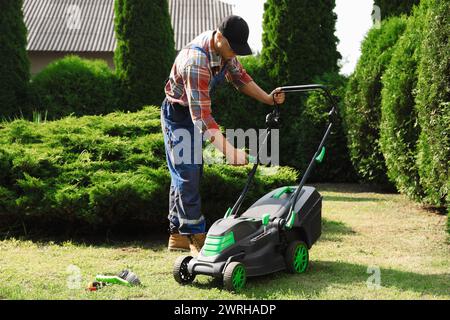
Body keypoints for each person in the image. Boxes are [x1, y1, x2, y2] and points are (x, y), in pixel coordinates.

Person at [162, 15, 285, 256]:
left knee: (189, 170)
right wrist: (230, 151)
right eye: (232, 49)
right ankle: (195, 234)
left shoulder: (225, 52)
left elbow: (241, 80)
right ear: (219, 37)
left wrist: (268, 99)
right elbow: (203, 119)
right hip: (178, 115)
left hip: (193, 112)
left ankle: (177, 234)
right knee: (186, 171)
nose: (233, 55)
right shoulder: (196, 61)